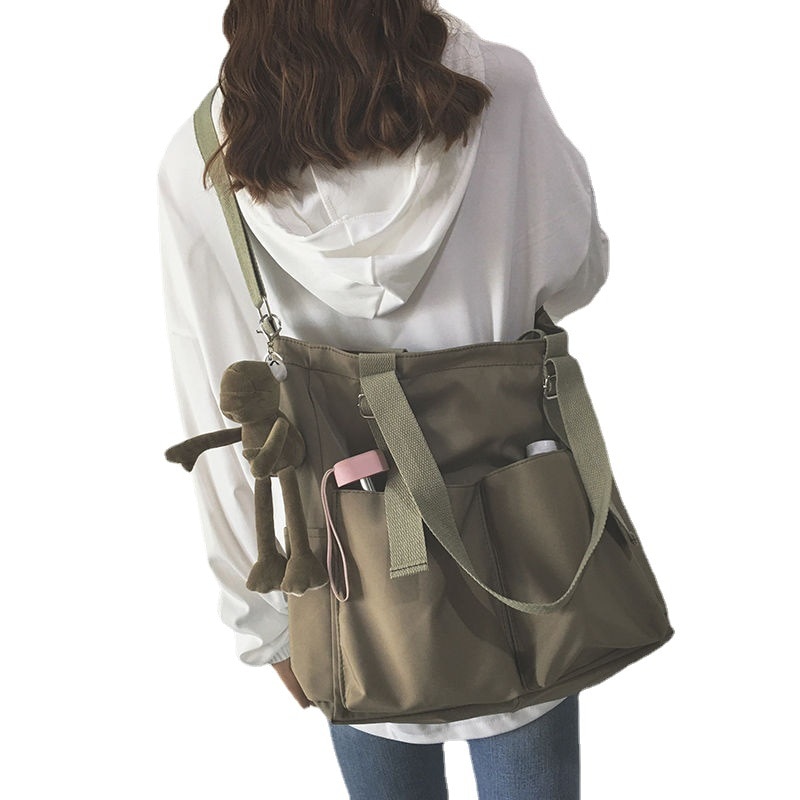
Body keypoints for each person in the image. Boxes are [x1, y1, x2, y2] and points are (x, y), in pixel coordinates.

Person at [158, 2, 609, 797]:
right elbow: (578, 272)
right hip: (521, 544)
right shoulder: (497, 90)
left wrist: (263, 626)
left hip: (349, 588)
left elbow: (222, 409)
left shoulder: (204, 158)